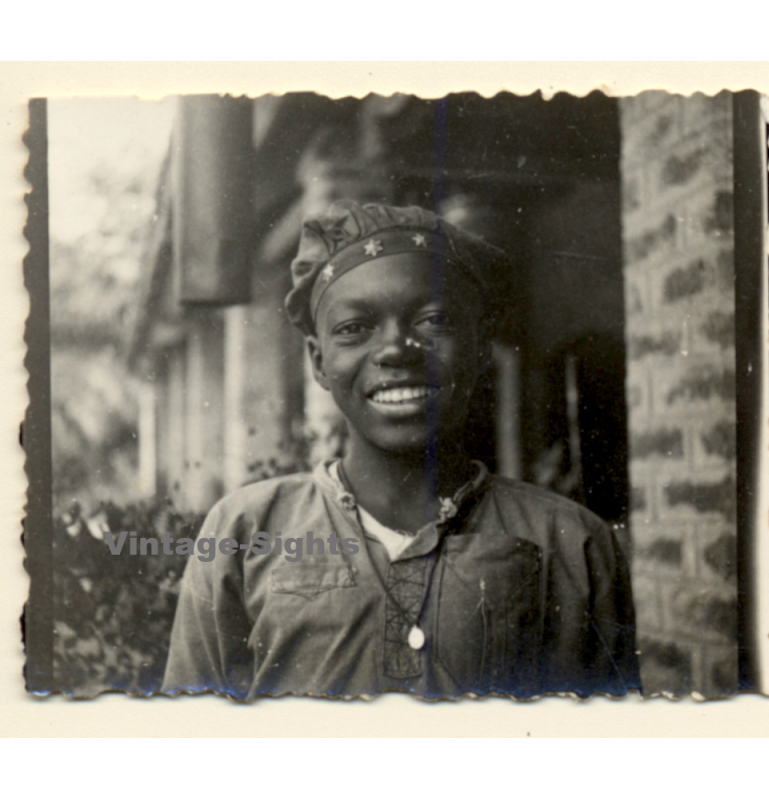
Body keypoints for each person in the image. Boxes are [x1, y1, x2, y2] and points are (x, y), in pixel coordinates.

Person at [162, 200, 640, 700]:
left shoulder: (572, 542)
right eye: (354, 328)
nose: (395, 349)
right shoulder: (244, 531)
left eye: (433, 320)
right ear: (319, 362)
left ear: (481, 347)